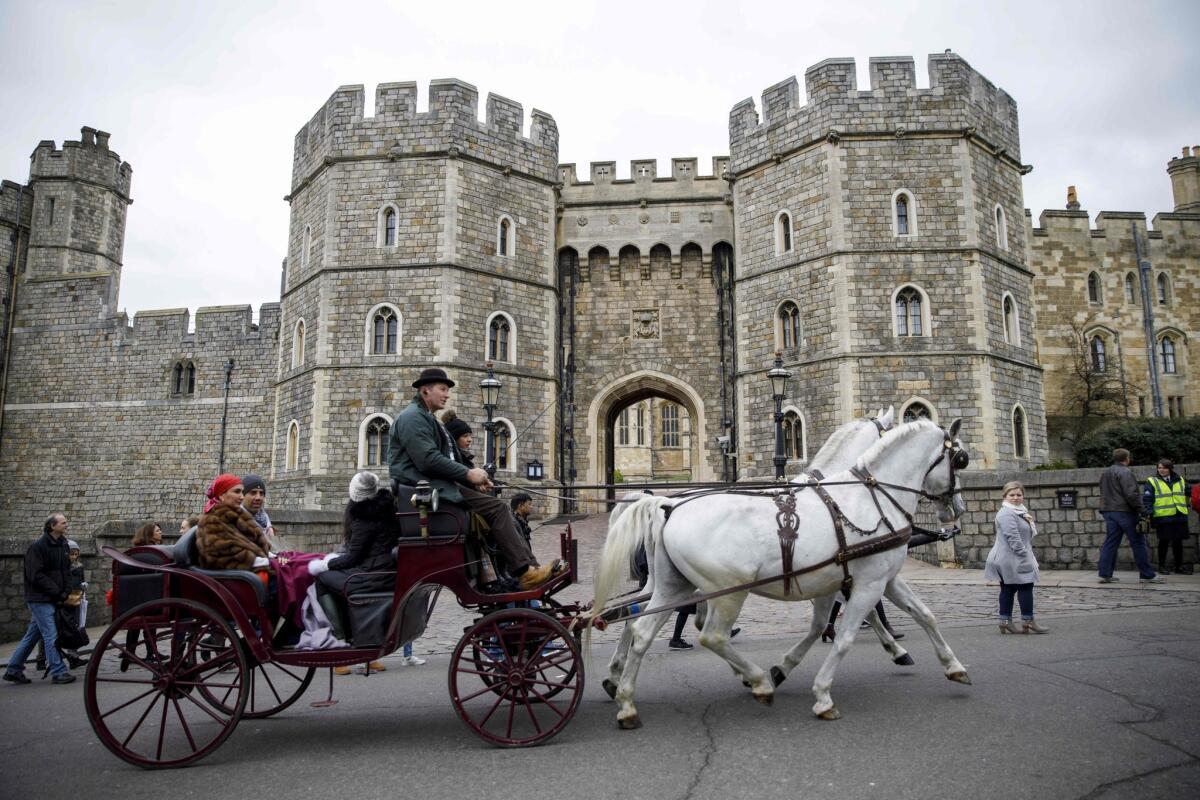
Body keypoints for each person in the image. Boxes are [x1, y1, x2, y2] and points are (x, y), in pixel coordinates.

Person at [387, 368, 563, 590]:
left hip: (437, 487)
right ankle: (524, 571)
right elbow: (428, 460)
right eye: (442, 389)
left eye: (447, 390)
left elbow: (444, 457)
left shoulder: (425, 418)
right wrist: (468, 474)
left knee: (497, 508)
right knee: (497, 508)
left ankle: (521, 570)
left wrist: (473, 479)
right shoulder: (413, 418)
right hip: (427, 492)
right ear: (425, 391)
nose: (447, 394)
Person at [313, 472, 398, 673]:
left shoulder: (363, 518)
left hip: (370, 575)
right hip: (386, 572)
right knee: (338, 584)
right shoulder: (389, 510)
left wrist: (327, 564)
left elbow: (353, 558)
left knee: (322, 581)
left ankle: (340, 645)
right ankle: (369, 655)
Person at [3, 513, 77, 685]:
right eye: (63, 522)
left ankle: (13, 669)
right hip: (39, 598)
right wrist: (57, 592)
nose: (66, 525)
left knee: (32, 636)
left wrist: (66, 590)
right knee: (51, 634)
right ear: (52, 526)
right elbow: (35, 575)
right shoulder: (38, 547)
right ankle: (58, 672)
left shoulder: (64, 545)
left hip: (53, 596)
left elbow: (67, 570)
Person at [984, 481, 1049, 634]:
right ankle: (1028, 621)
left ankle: (1005, 621)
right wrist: (1025, 556)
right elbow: (1013, 537)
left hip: (1009, 557)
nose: (1015, 498)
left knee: (1008, 588)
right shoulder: (1007, 513)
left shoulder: (1019, 511)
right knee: (1026, 586)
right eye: (1011, 495)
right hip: (1012, 557)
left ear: (1023, 496)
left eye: (1019, 495)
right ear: (1005, 496)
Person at [1098, 449, 1162, 584]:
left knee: (1111, 543)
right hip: (1124, 511)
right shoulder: (1125, 472)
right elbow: (1131, 494)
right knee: (1138, 542)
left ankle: (1105, 574)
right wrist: (1142, 509)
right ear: (1127, 458)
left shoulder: (1106, 472)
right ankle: (1147, 574)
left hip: (1109, 511)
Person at [196, 474, 271, 570]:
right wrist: (267, 562)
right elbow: (222, 557)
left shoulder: (237, 516)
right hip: (240, 578)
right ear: (221, 495)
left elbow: (255, 544)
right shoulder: (212, 521)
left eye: (242, 492)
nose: (242, 497)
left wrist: (276, 557)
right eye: (237, 492)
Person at [1143, 458, 1192, 575]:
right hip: (1163, 516)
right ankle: (1161, 566)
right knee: (1163, 542)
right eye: (1159, 468)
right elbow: (1147, 499)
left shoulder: (1180, 479)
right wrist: (1149, 513)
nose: (1162, 470)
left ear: (1170, 468)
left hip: (1179, 514)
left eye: (1164, 468)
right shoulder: (1152, 481)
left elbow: (1190, 492)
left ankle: (1179, 567)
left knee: (1178, 542)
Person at [242, 474, 275, 540]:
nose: (258, 497)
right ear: (243, 495)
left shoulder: (266, 522)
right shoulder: (234, 522)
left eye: (261, 493)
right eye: (253, 493)